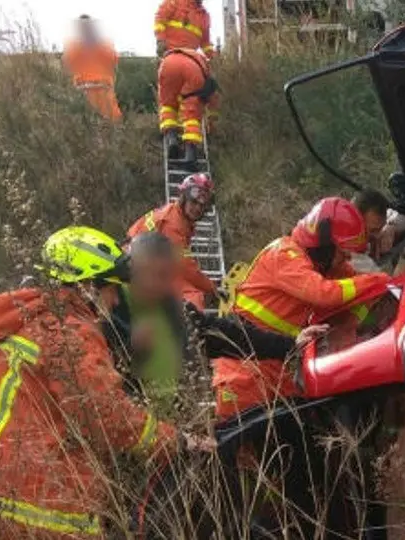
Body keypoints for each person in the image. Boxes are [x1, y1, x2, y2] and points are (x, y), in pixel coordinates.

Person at [0, 226, 211, 539]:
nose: (116, 301)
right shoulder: (70, 331)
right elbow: (108, 416)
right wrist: (178, 442)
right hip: (36, 501)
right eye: (111, 289)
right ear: (87, 287)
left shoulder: (33, 317)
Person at [212, 196, 390, 421]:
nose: (346, 258)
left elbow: (360, 292)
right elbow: (324, 293)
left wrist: (349, 324)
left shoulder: (323, 264)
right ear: (323, 245)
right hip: (244, 363)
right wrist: (378, 280)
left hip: (277, 360)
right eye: (342, 251)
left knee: (294, 433)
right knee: (245, 443)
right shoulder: (285, 255)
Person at [103, 231, 313, 417]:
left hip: (173, 427)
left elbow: (227, 334)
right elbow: (102, 394)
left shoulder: (171, 308)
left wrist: (291, 345)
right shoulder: (106, 312)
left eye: (164, 276)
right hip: (134, 433)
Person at [126, 173, 217, 310]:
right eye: (194, 202)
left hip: (143, 260)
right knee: (193, 297)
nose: (198, 208)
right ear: (183, 197)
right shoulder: (173, 224)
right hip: (136, 266)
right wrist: (211, 288)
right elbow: (185, 268)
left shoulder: (175, 214)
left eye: (202, 206)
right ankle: (187, 331)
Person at [156, 47, 219, 164]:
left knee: (168, 106)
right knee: (191, 116)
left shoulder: (198, 58)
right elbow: (212, 105)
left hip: (167, 64)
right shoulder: (206, 79)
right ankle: (190, 156)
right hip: (191, 70)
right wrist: (211, 124)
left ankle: (172, 139)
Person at [62, 15, 122, 122]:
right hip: (83, 92)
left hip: (103, 91)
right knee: (85, 123)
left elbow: (113, 60)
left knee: (111, 122)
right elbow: (68, 63)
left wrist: (96, 44)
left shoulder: (104, 44)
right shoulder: (73, 46)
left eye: (88, 26)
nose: (86, 29)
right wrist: (83, 45)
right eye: (83, 27)